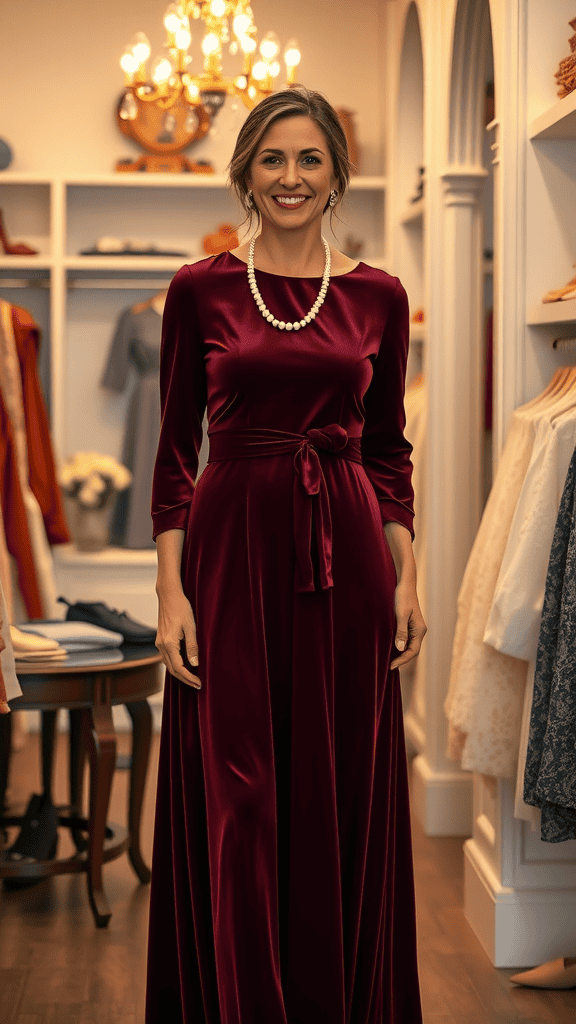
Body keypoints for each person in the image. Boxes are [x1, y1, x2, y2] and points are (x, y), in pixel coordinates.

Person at [145, 85, 427, 1024]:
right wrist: (169, 591)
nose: (291, 177)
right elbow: (176, 449)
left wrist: (406, 574)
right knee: (242, 791)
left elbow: (388, 451)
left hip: (346, 552)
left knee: (338, 779)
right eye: (273, 158)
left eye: (310, 159)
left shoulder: (381, 295)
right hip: (231, 552)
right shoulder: (200, 288)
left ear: (338, 175)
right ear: (246, 174)